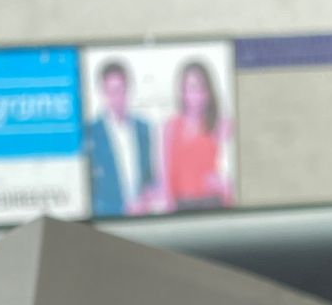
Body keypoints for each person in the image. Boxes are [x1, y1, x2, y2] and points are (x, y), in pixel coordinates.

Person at [86, 59, 155, 218]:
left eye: (120, 90)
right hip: (108, 220)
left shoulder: (143, 128)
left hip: (143, 218)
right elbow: (91, 191)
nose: (117, 98)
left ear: (129, 89)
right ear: (102, 93)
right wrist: (123, 209)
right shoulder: (92, 133)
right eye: (111, 92)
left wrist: (146, 199)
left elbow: (150, 176)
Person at [162, 59, 233, 211]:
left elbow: (233, 172)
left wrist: (225, 185)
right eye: (190, 88)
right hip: (182, 205)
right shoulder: (171, 127)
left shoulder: (221, 125)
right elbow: (167, 178)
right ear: (182, 92)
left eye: (201, 89)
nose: (196, 95)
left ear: (208, 92)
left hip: (212, 203)